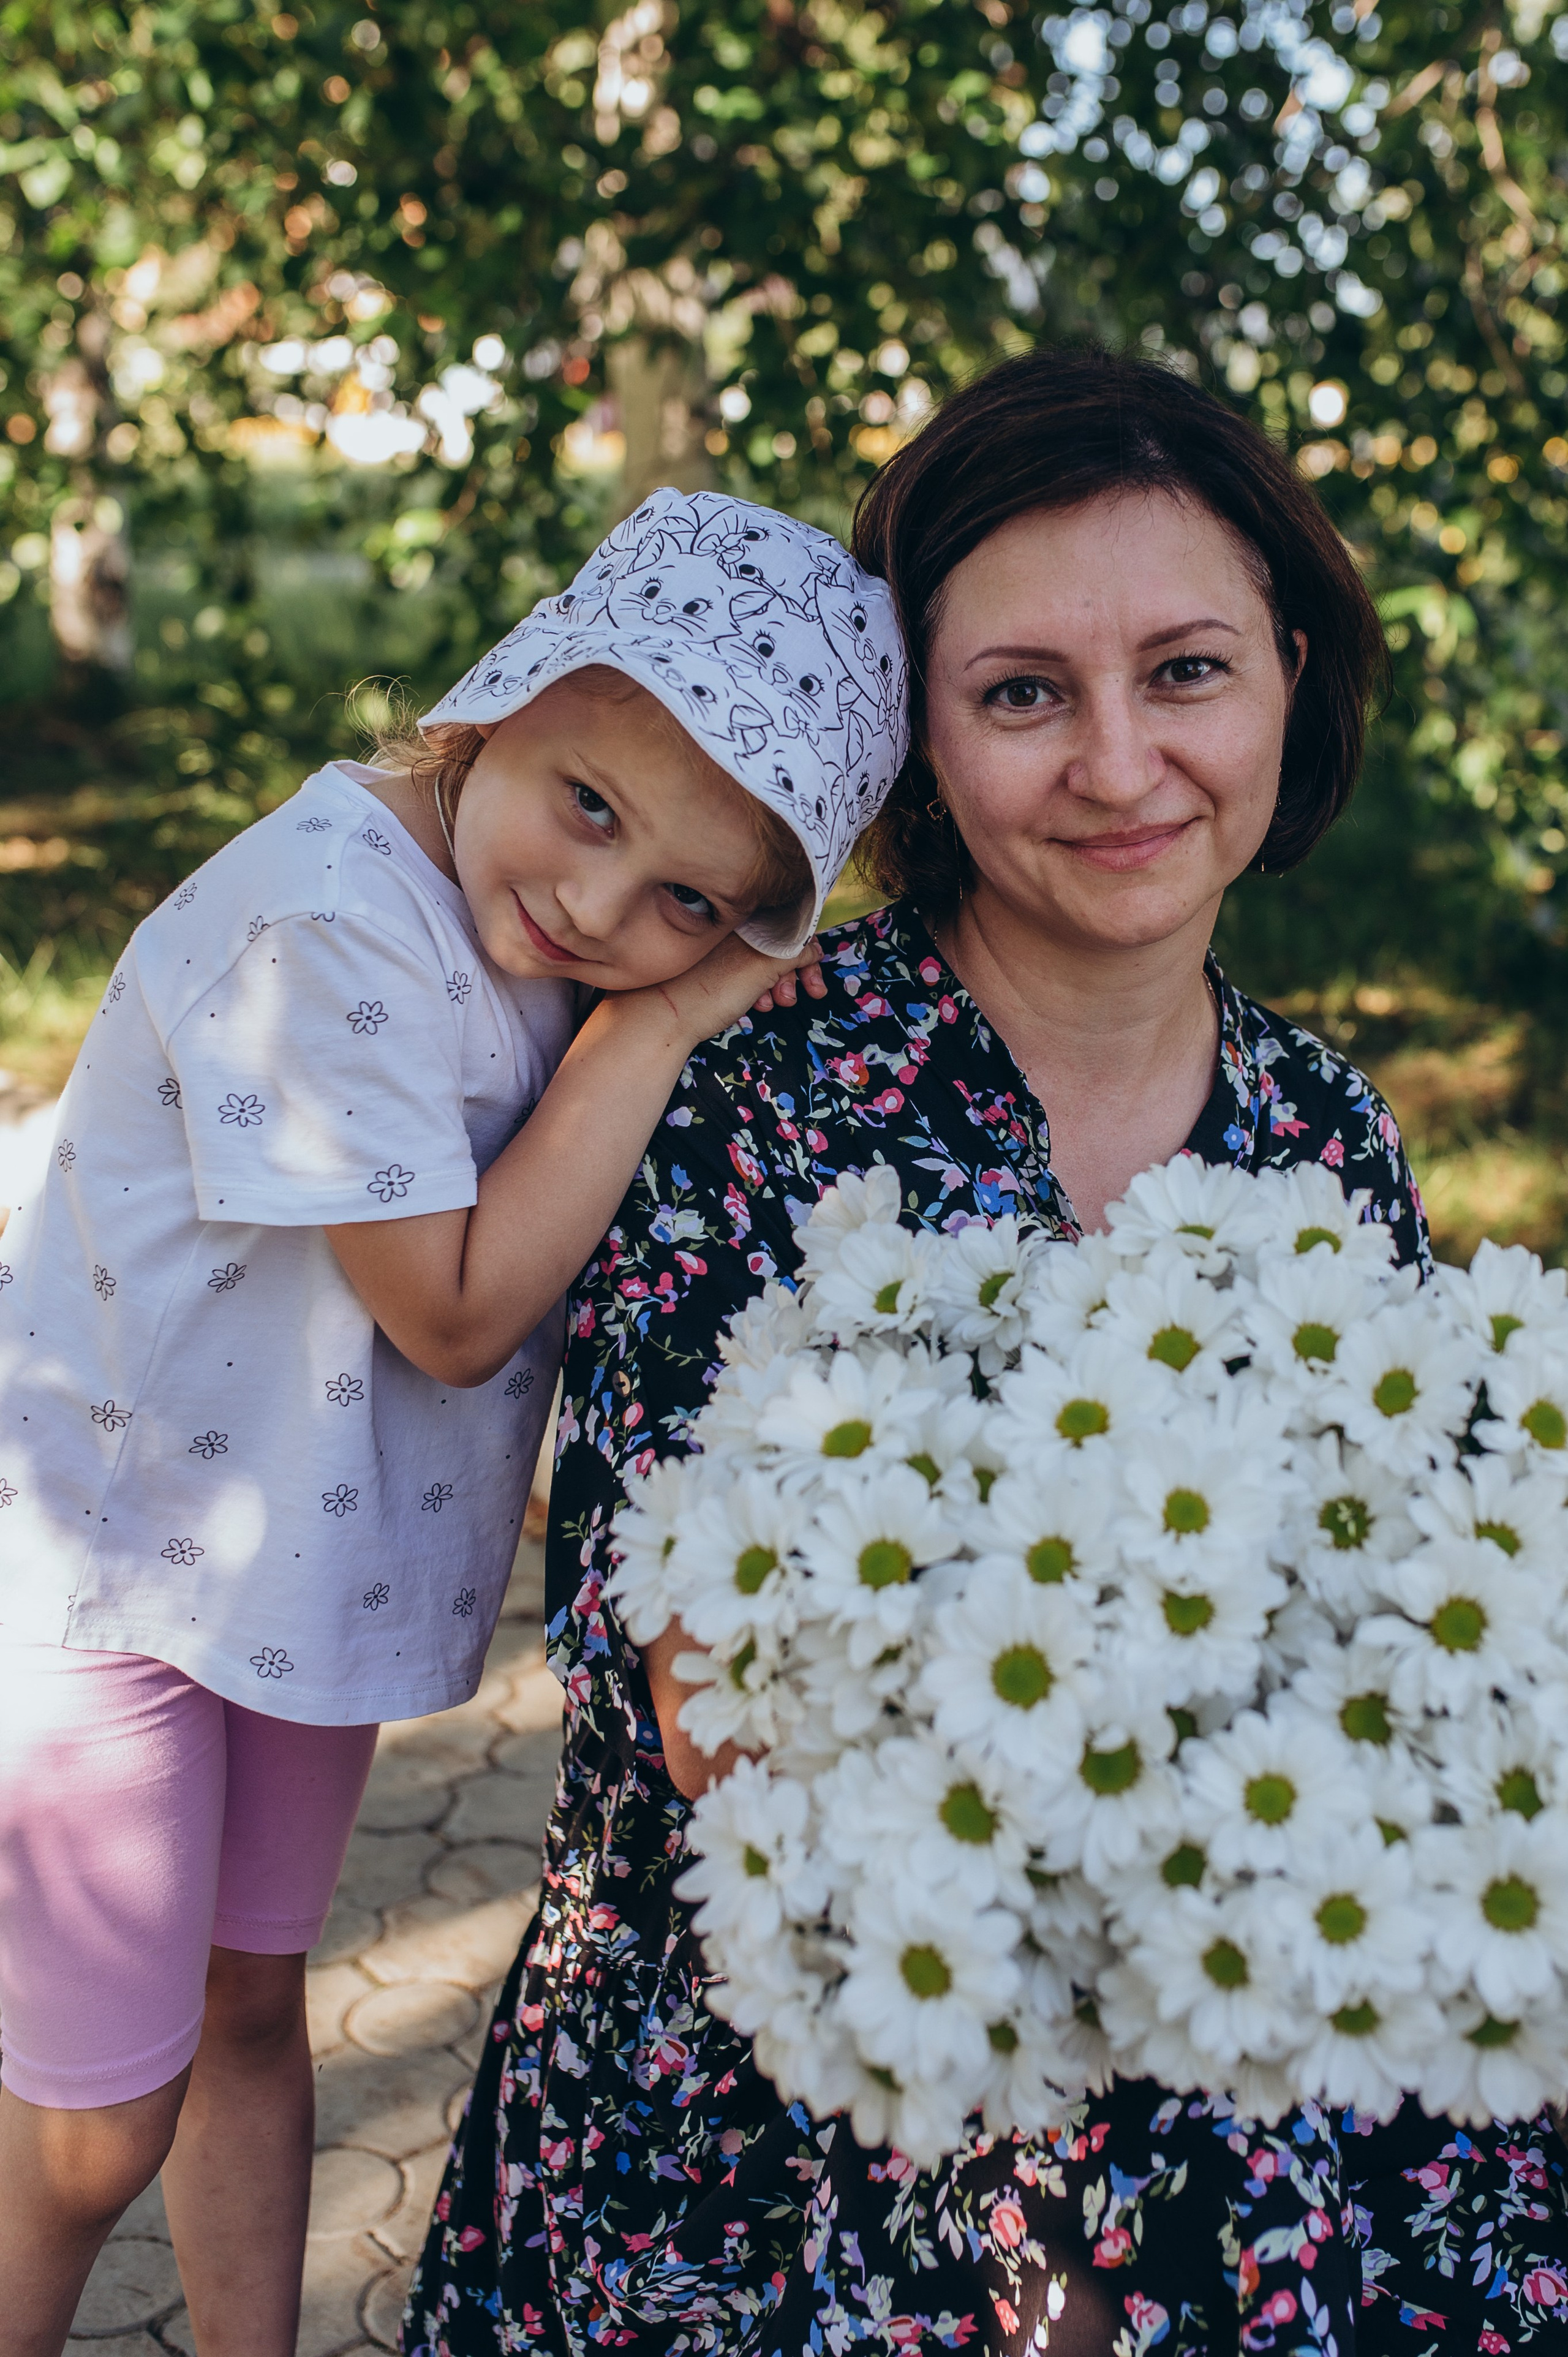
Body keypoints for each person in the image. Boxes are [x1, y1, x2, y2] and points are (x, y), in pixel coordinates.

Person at [406, 353, 1568, 2356]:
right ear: (916, 738)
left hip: (1245, 2009)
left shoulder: (1324, 1130)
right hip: (794, 2069)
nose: (1120, 766)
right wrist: (1045, 2211)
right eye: (1025, 692)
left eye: (1187, 671)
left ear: (1291, 674)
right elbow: (698, 1689)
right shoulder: (737, 1087)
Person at [0, 488, 907, 2357]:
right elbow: (458, 1308)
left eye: (686, 900)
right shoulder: (327, 922)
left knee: (260, 2008)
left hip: (277, 1571)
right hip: (107, 1572)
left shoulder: (522, 934)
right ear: (501, 699)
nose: (594, 906)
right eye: (588, 804)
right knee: (91, 2132)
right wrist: (660, 1025)